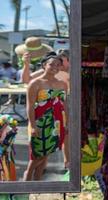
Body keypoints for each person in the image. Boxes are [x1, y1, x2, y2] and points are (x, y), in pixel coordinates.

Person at [23, 52, 68, 181]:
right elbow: (30, 106)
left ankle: (37, 184)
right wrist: (33, 125)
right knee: (37, 155)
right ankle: (27, 179)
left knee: (47, 153)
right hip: (39, 121)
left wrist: (67, 123)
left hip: (57, 122)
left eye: (58, 65)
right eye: (52, 64)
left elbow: (65, 105)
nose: (55, 67)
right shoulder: (35, 83)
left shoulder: (62, 84)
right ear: (44, 65)